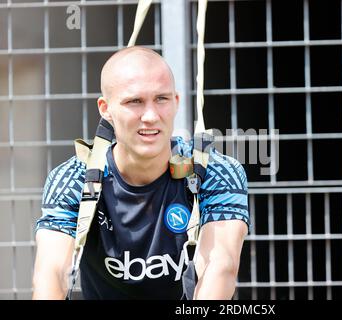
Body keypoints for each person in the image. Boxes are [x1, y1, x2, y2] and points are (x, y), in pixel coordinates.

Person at [32, 46, 250, 300]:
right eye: (134, 101)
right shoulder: (73, 178)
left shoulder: (216, 171)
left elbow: (220, 268)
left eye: (161, 99)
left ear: (176, 102)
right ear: (105, 109)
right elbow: (52, 275)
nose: (150, 116)